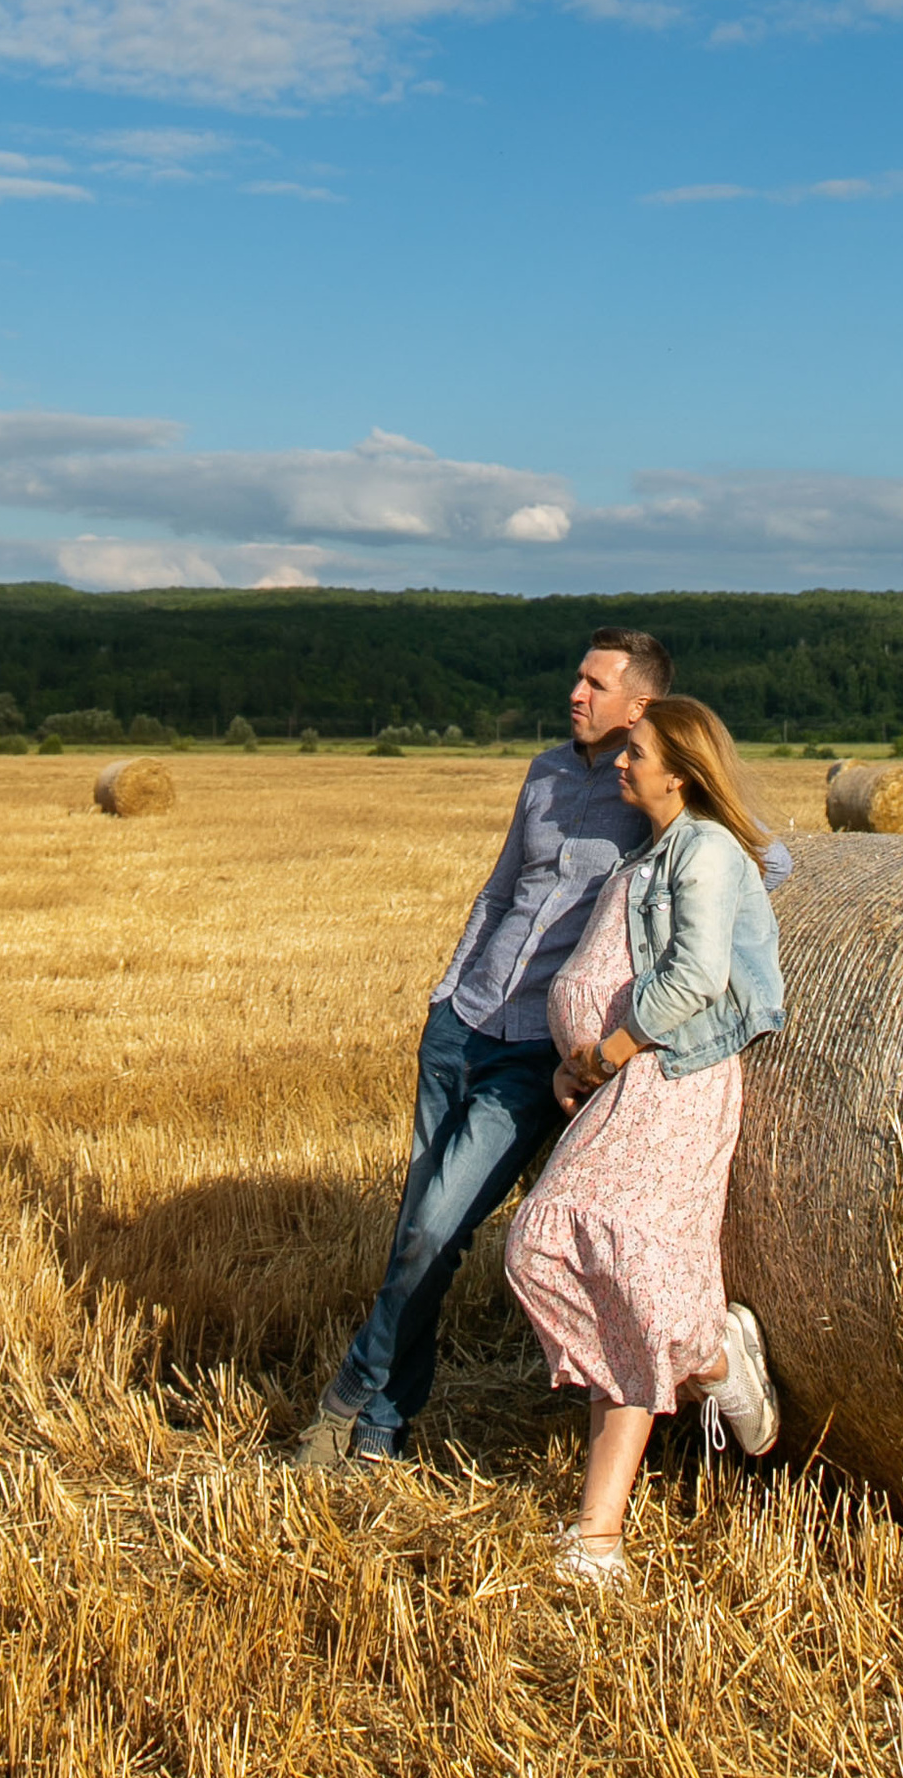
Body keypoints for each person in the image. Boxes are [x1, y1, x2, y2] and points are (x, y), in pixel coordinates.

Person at [289, 627, 675, 1470]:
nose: (575, 694)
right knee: (415, 1235)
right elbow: (499, 891)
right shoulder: (542, 774)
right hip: (462, 1022)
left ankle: (343, 1399)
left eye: (595, 684)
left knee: (435, 1230)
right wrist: (444, 995)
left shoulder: (651, 796)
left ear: (639, 704)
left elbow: (768, 858)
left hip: (535, 1054)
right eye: (576, 678)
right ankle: (387, 1427)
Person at [502, 692, 786, 1585]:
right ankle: (700, 1364)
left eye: (637, 753)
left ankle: (601, 1530)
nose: (619, 763)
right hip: (619, 1083)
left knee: (593, 1246)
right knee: (555, 1253)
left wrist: (612, 1049)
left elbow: (698, 974)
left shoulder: (702, 848)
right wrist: (572, 1063)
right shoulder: (654, 850)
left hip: (674, 1078)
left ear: (681, 770)